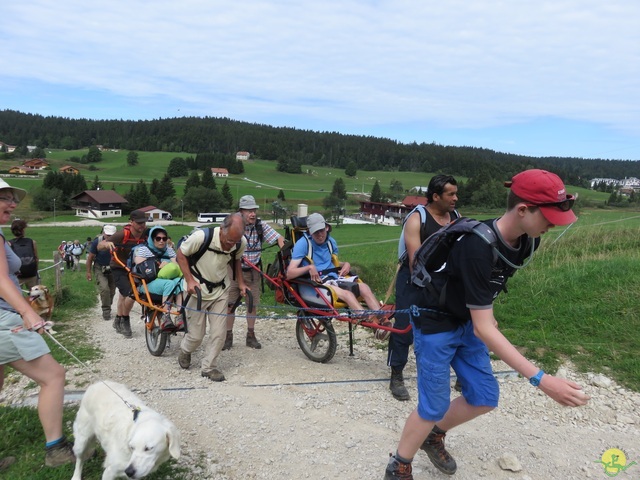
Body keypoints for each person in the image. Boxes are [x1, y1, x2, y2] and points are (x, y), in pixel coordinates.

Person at [384, 169, 591, 479]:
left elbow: (488, 287)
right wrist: (542, 380)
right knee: (434, 405)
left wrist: (483, 311)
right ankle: (399, 464)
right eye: (547, 217)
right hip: (435, 321)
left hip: (466, 320)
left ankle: (432, 435)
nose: (552, 225)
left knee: (483, 397)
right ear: (523, 210)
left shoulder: (527, 242)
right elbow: (484, 327)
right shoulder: (476, 245)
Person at [0, 179, 75, 468]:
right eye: (5, 197)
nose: (13, 204)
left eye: (13, 198)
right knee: (53, 376)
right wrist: (27, 312)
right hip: (4, 319)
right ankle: (57, 451)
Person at [388, 175, 459, 401]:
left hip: (444, 279)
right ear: (436, 196)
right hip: (414, 278)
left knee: (452, 325)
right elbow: (415, 261)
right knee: (404, 327)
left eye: (456, 193)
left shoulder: (456, 217)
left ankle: (461, 372)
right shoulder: (417, 219)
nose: (456, 198)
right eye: (451, 194)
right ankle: (396, 374)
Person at [176, 213, 247, 382]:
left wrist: (242, 283)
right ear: (222, 229)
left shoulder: (239, 243)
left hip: (220, 289)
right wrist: (189, 280)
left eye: (234, 242)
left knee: (219, 333)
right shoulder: (202, 237)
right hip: (197, 290)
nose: (230, 245)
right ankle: (186, 350)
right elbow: (180, 254)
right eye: (229, 240)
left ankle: (209, 367)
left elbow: (236, 260)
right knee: (196, 336)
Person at [287, 213, 384, 322]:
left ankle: (383, 319)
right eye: (315, 232)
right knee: (348, 294)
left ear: (327, 228)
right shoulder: (303, 244)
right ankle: (370, 322)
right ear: (309, 232)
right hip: (317, 283)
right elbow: (290, 273)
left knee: (364, 287)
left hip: (333, 278)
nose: (320, 235)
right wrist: (309, 268)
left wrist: (345, 264)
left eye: (322, 230)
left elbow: (331, 262)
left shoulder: (330, 242)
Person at [224, 195, 285, 350]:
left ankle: (250, 336)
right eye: (249, 210)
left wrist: (283, 246)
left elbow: (278, 238)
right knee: (230, 305)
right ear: (241, 212)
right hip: (232, 272)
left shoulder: (260, 226)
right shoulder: (233, 225)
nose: (253, 214)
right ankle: (227, 336)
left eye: (254, 210)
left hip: (253, 272)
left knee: (252, 304)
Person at [98, 210, 148, 338]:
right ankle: (125, 320)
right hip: (119, 267)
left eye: (143, 222)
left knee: (123, 296)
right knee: (130, 294)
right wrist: (107, 243)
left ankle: (118, 319)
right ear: (131, 222)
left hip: (136, 268)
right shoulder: (122, 234)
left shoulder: (147, 234)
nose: (142, 225)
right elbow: (100, 246)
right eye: (139, 223)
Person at [132, 226, 184, 331]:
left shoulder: (169, 250)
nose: (161, 241)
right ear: (152, 238)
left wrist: (168, 263)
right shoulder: (142, 250)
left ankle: (180, 315)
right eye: (158, 238)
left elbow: (177, 265)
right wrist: (158, 264)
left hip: (165, 281)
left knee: (180, 281)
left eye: (164, 239)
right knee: (169, 284)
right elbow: (140, 266)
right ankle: (166, 316)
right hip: (148, 284)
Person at [86, 225, 117, 320]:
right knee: (104, 289)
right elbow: (90, 257)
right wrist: (88, 272)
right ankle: (106, 310)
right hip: (100, 267)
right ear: (104, 233)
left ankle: (108, 304)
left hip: (113, 268)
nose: (109, 237)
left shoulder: (118, 241)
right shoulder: (97, 242)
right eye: (108, 235)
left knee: (112, 290)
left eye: (111, 235)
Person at [8, 219, 40, 289]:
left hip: (17, 275)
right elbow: (36, 258)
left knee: (16, 296)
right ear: (23, 230)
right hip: (31, 274)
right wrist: (35, 270)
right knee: (34, 297)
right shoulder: (32, 242)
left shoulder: (9, 244)